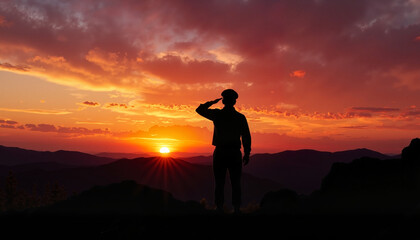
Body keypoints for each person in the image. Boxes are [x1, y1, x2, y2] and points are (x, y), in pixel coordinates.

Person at [196, 89, 251, 214]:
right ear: (234, 101)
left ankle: (219, 208)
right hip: (234, 153)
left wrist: (211, 102)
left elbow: (199, 110)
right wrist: (247, 153)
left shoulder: (217, 114)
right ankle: (236, 208)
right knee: (235, 182)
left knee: (219, 182)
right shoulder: (240, 117)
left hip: (220, 152)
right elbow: (246, 136)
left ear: (224, 100)